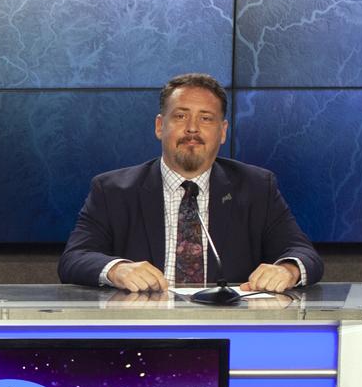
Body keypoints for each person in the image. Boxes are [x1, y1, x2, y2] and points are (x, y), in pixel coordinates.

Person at [58, 73, 321, 292]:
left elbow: (303, 253)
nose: (192, 129)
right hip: (143, 325)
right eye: (181, 116)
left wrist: (288, 270)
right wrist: (117, 269)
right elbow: (74, 259)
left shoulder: (256, 187)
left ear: (222, 132)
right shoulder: (112, 190)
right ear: (160, 126)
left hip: (228, 325)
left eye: (206, 118)